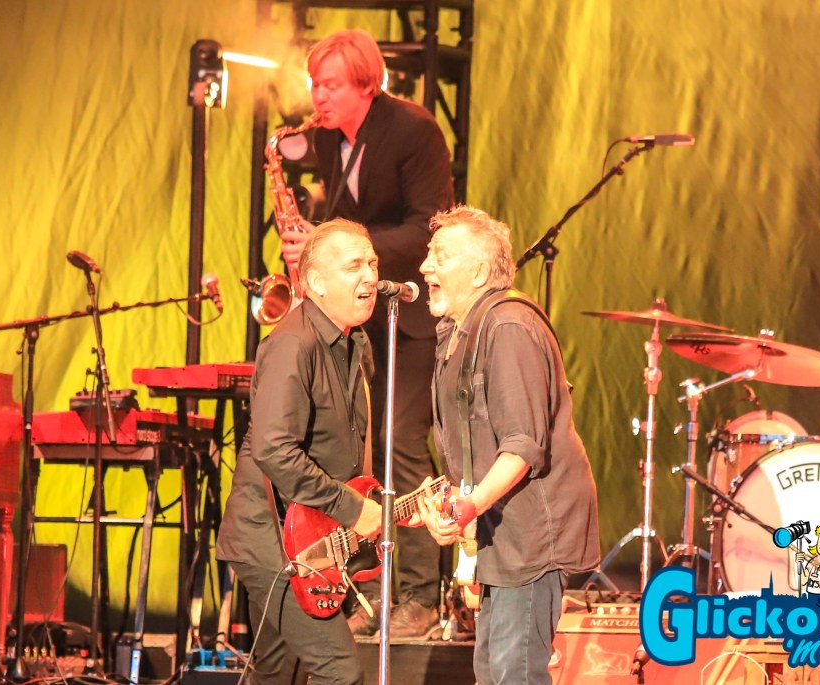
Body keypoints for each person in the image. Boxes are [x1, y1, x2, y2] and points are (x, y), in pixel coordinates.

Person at [280, 27, 454, 639]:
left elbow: (428, 227)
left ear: (366, 84)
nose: (318, 97)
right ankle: (361, 585)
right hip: (360, 319)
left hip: (410, 315)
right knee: (354, 453)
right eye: (314, 85)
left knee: (402, 443)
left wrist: (340, 246)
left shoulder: (413, 130)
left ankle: (422, 597)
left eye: (330, 85)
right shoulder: (331, 140)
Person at [415, 206, 600, 685]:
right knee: (492, 671)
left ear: (478, 272)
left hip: (532, 534)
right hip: (500, 534)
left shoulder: (508, 326)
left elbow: (522, 445)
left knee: (513, 674)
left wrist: (468, 506)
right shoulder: (463, 331)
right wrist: (447, 503)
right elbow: (473, 446)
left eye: (439, 256)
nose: (425, 266)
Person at [216, 219, 382, 684]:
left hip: (308, 538)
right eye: (354, 266)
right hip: (272, 543)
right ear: (315, 282)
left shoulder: (355, 344)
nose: (370, 276)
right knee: (341, 674)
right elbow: (274, 450)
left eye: (372, 263)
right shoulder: (293, 343)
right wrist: (352, 509)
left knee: (277, 674)